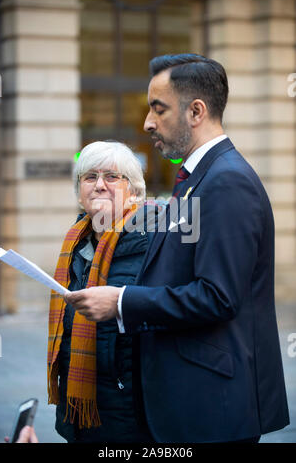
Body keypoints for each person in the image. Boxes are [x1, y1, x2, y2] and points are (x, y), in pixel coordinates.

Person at [64, 53, 290, 443]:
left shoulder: (226, 181)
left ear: (196, 111)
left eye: (158, 109)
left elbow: (218, 296)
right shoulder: (198, 177)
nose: (147, 122)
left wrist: (120, 302)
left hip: (212, 409)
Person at [47, 140, 155, 443]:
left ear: (133, 190)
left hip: (129, 411)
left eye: (112, 176)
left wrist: (121, 306)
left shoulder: (153, 242)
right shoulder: (75, 244)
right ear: (80, 192)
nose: (99, 185)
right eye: (90, 177)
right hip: (78, 407)